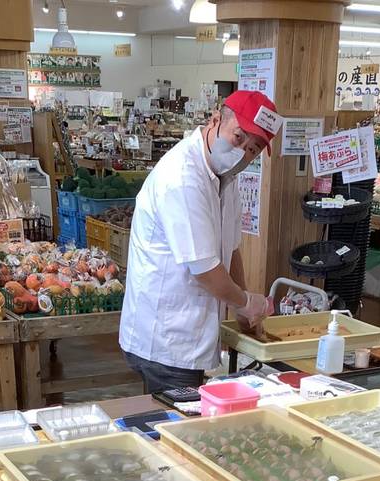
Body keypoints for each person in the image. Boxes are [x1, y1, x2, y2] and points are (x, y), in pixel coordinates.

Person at [118, 90, 280, 394]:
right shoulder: (183, 176)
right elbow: (205, 270)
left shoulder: (225, 176)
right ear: (215, 120)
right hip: (166, 339)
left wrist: (243, 310)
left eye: (253, 149)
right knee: (176, 419)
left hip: (188, 333)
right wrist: (246, 302)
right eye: (238, 138)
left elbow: (231, 249)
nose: (242, 153)